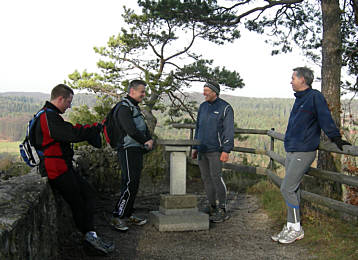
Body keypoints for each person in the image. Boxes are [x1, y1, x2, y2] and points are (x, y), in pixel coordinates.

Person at [271, 67, 351, 244]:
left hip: (304, 150)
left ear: (302, 80)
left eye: (293, 78)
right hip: (293, 149)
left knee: (286, 188)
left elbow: (325, 118)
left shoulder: (314, 97)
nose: (290, 81)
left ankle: (296, 228)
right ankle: (291, 225)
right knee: (293, 188)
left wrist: (336, 138)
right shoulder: (299, 100)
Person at [34, 84, 114, 255]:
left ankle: (91, 236)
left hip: (62, 167)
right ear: (60, 98)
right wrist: (94, 129)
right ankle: (89, 242)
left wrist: (93, 128)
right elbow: (71, 134)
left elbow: (69, 131)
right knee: (79, 202)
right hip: (56, 169)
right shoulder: (48, 117)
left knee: (88, 194)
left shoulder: (49, 116)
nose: (69, 106)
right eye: (68, 102)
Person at [110, 80, 154, 231]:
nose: (144, 94)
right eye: (142, 91)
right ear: (132, 91)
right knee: (129, 182)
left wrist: (147, 139)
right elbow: (130, 129)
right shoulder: (123, 107)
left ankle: (127, 214)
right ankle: (118, 217)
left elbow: (140, 127)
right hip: (127, 149)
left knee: (133, 183)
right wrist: (146, 140)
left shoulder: (133, 106)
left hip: (135, 149)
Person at [192, 81, 235, 223]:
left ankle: (222, 208)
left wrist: (226, 150)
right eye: (203, 90)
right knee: (206, 178)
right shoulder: (203, 107)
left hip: (216, 150)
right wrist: (195, 146)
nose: (204, 93)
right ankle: (211, 205)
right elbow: (198, 127)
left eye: (207, 90)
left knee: (216, 177)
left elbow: (228, 131)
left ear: (214, 92)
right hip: (202, 150)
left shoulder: (225, 108)